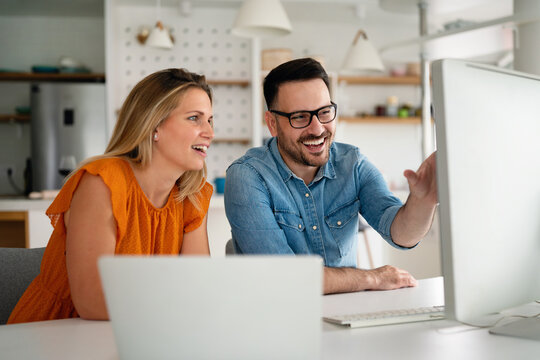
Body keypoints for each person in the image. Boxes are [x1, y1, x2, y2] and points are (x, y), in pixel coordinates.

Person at [8, 68, 215, 323]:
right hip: (57, 330)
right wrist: (177, 307)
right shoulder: (102, 182)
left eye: (210, 120)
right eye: (194, 118)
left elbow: (198, 288)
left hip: (139, 329)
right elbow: (93, 303)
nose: (209, 132)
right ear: (154, 125)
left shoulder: (192, 196)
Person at [224, 58, 437, 294]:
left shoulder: (352, 163)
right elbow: (282, 277)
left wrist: (423, 201)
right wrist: (372, 278)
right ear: (272, 124)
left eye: (324, 112)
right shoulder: (247, 176)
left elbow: (402, 235)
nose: (317, 129)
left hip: (344, 316)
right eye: (300, 117)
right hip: (275, 317)